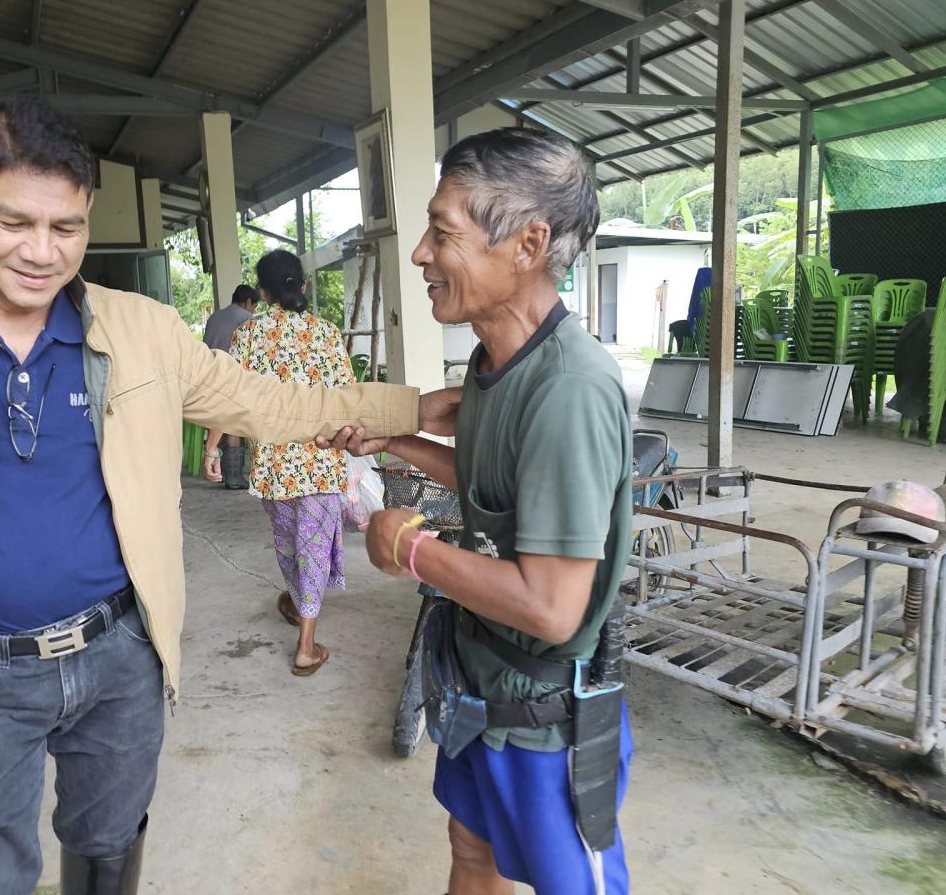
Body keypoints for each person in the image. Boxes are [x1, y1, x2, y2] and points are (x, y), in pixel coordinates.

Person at [0, 94, 454, 895]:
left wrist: (406, 410)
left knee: (111, 841)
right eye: (14, 222)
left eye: (67, 227)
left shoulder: (142, 327)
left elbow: (268, 402)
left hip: (121, 656)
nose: (42, 252)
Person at [320, 128, 633, 895]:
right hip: (476, 684)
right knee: (470, 853)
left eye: (442, 231)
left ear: (527, 245)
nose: (422, 253)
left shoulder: (570, 390)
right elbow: (491, 483)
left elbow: (552, 608)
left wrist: (410, 547)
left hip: (545, 717)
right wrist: (397, 440)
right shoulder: (494, 363)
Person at [205, 250, 353, 675]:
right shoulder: (327, 334)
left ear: (264, 293)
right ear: (302, 287)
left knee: (291, 545)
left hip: (275, 468)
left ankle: (297, 607)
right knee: (313, 547)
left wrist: (213, 449)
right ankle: (306, 643)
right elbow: (345, 399)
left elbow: (231, 401)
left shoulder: (249, 336)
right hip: (323, 462)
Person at [202, 283, 259, 488]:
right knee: (234, 423)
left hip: (208, 379)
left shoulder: (214, 317)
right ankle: (234, 477)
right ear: (248, 302)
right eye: (254, 306)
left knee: (219, 422)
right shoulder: (247, 320)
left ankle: (223, 470)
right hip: (231, 379)